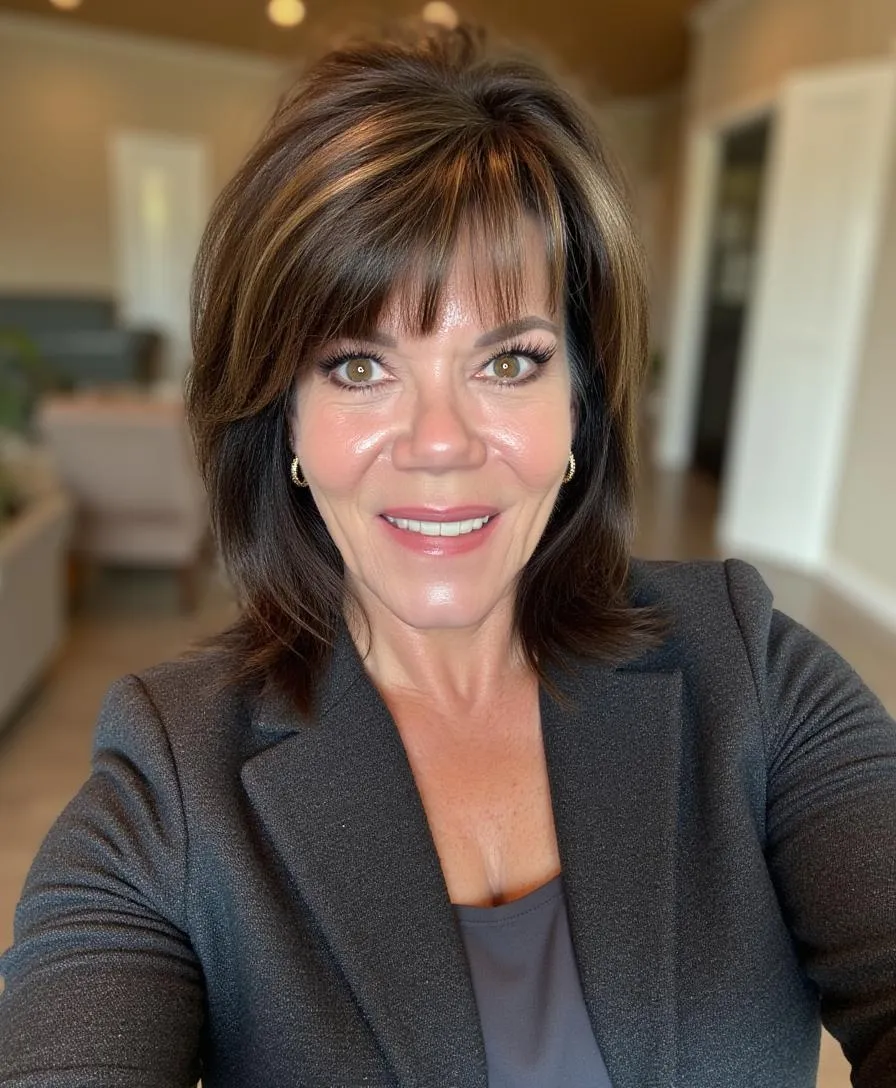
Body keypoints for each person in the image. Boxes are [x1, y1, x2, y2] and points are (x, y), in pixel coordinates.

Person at [1, 21, 894, 1088]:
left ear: (580, 402)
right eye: (358, 366)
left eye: (509, 361)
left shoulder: (751, 671)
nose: (438, 444)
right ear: (284, 420)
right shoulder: (173, 776)